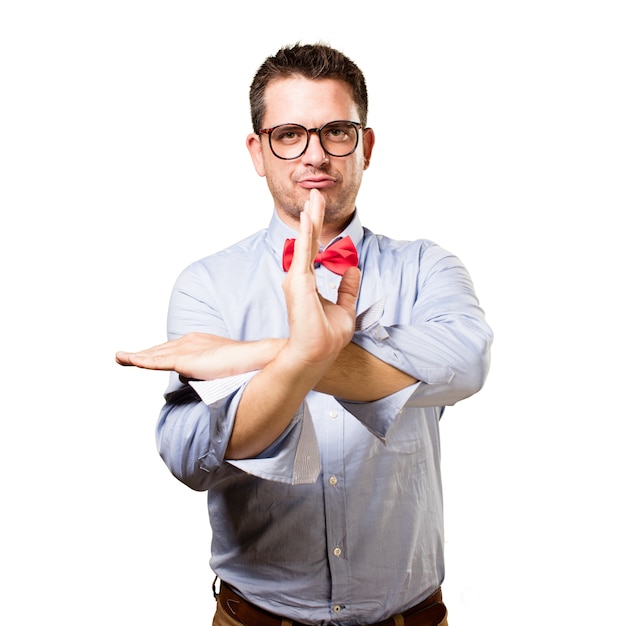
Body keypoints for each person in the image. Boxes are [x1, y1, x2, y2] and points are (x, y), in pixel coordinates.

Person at [116, 43, 493, 626]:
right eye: (290, 133)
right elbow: (192, 457)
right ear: (258, 151)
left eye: (336, 131)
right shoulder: (207, 285)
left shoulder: (428, 269)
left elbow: (465, 364)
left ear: (365, 146)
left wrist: (266, 356)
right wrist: (314, 356)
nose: (314, 154)